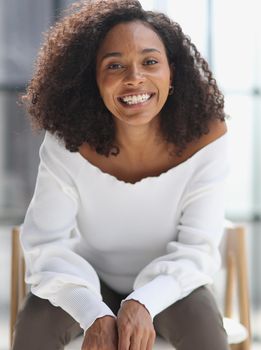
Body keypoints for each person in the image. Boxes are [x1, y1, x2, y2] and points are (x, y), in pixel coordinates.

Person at [12, 0, 230, 349]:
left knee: (206, 335)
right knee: (34, 329)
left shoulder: (206, 140)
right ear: (92, 79)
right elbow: (47, 245)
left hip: (170, 285)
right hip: (87, 280)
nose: (134, 78)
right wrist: (91, 311)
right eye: (115, 65)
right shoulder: (67, 143)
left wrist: (143, 301)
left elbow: (196, 250)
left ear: (171, 72)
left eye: (150, 62)